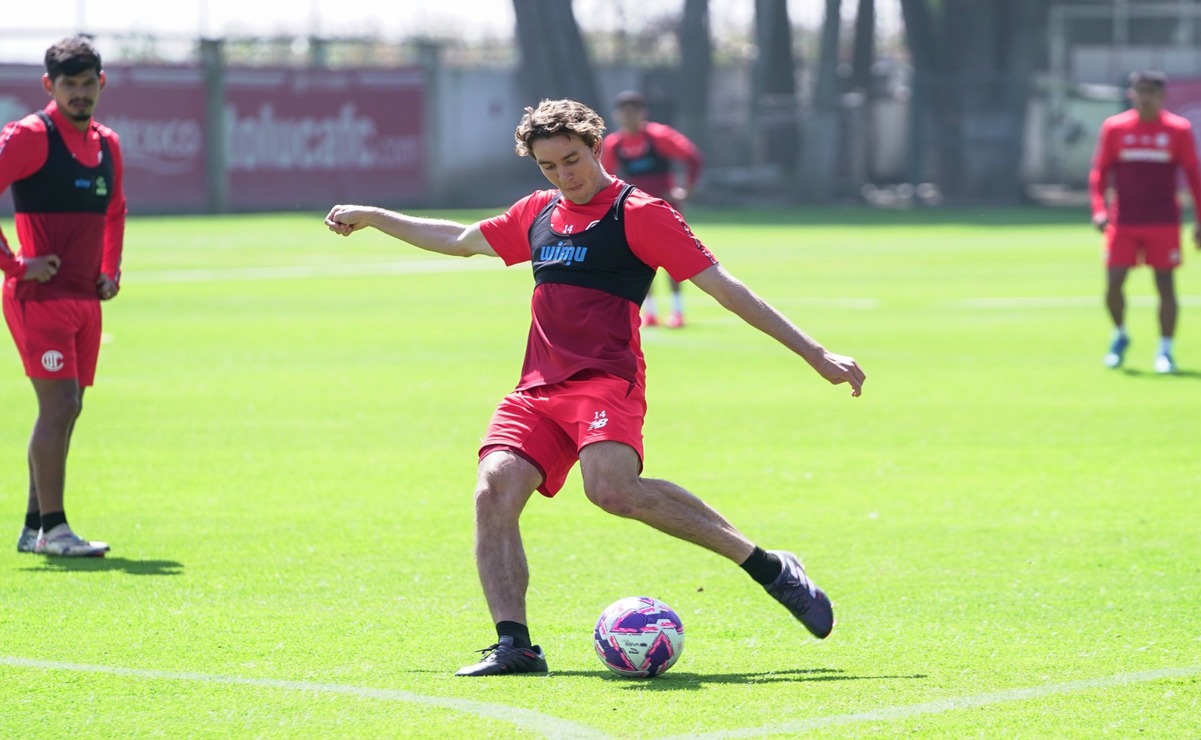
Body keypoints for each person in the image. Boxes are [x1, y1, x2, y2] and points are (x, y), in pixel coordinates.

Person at [325, 98, 865, 677]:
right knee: (493, 492)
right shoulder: (537, 213)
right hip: (536, 389)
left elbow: (726, 289)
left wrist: (815, 353)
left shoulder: (640, 213)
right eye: (549, 166)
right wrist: (374, 215)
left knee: (612, 490)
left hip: (606, 382)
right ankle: (515, 645)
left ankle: (769, 568)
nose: (564, 175)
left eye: (572, 160)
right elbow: (460, 238)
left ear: (596, 146)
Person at [1, 36, 125, 557]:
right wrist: (14, 264)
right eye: (68, 84)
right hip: (38, 298)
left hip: (84, 299)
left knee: (67, 411)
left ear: (101, 82)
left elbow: (115, 209)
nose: (80, 94)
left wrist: (109, 269)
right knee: (61, 405)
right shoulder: (29, 136)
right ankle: (55, 528)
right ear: (49, 86)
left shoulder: (107, 143)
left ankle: (35, 528)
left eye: (87, 83)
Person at [1089, 70, 1201, 374]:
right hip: (1124, 220)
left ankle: (1165, 350)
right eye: (1140, 90)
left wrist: (1199, 219)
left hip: (1163, 220)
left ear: (1162, 95)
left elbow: (1193, 175)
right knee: (1114, 281)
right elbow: (1100, 171)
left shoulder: (1177, 130)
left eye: (1151, 91)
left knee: (1165, 283)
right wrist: (1100, 209)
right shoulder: (1116, 128)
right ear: (1131, 93)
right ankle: (1120, 334)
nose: (1145, 96)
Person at [602, 90, 703, 329]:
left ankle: (677, 311)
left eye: (634, 111)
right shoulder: (614, 144)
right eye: (624, 112)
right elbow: (606, 176)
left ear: (643, 114)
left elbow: (693, 157)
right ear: (617, 116)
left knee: (673, 257)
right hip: (635, 207)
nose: (629, 117)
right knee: (639, 258)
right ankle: (650, 312)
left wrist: (685, 189)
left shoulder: (659, 136)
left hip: (665, 205)